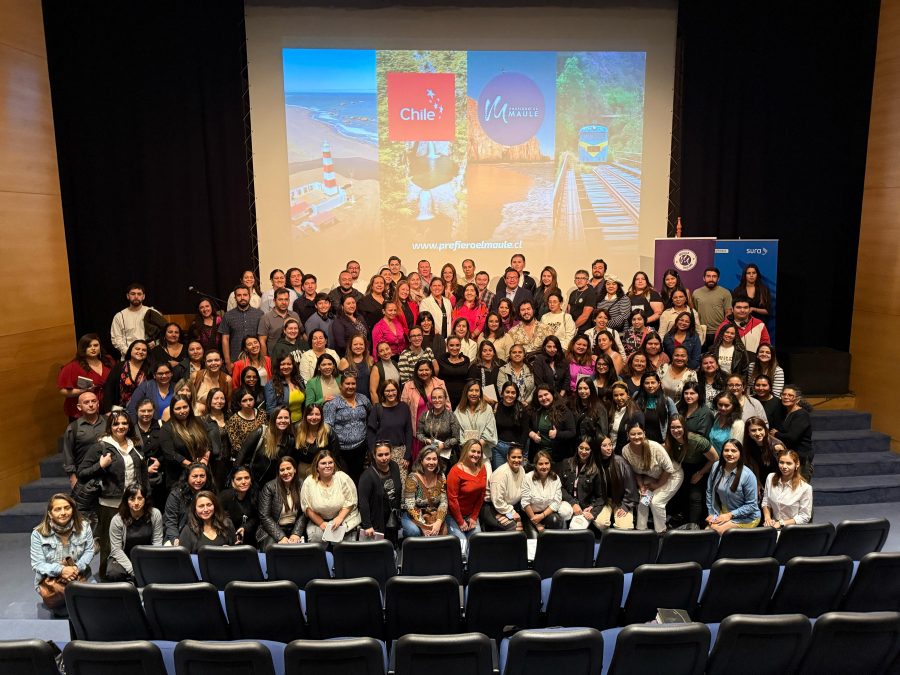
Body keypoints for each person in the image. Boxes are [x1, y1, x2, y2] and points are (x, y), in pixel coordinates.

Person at [77, 411, 150, 577]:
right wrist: (100, 466)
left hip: (134, 503)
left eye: (124, 423)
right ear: (110, 426)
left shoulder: (136, 445)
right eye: (116, 424)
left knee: (131, 541)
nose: (120, 427)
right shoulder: (101, 446)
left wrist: (146, 497)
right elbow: (82, 472)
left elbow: (143, 474)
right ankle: (107, 579)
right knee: (110, 545)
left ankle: (133, 574)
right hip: (111, 505)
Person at [31, 494, 93, 611]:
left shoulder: (85, 526)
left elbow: (89, 551)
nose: (63, 512)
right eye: (57, 509)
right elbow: (37, 564)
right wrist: (62, 570)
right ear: (50, 513)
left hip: (79, 575)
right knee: (65, 611)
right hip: (51, 583)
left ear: (73, 510)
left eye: (67, 508)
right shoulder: (37, 534)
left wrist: (76, 568)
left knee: (94, 607)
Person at [622, 421, 681, 533]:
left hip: (672, 475)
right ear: (627, 435)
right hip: (654, 476)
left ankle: (661, 533)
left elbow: (669, 469)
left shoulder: (654, 447)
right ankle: (641, 531)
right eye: (633, 434)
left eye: (639, 433)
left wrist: (657, 485)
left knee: (656, 502)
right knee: (643, 499)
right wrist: (642, 486)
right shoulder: (626, 450)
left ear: (644, 433)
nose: (636, 437)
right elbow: (635, 472)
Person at [665, 415, 718, 528]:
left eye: (678, 427)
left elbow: (715, 458)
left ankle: (694, 526)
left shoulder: (697, 441)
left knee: (695, 496)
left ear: (684, 427)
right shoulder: (669, 440)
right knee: (679, 494)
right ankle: (680, 520)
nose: (675, 430)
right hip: (682, 468)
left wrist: (700, 473)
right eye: (672, 427)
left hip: (701, 468)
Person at [106, 484, 163, 582]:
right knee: (113, 573)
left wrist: (151, 562)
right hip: (124, 556)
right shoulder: (117, 520)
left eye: (140, 498)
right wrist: (133, 570)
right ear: (126, 501)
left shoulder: (155, 514)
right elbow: (116, 550)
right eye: (132, 499)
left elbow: (157, 542)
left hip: (147, 555)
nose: (136, 503)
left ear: (145, 499)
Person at [323, 373, 372, 482]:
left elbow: (371, 416)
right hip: (341, 451)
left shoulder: (363, 399)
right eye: (347, 383)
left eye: (353, 383)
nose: (350, 386)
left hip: (361, 448)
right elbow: (327, 428)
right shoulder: (332, 402)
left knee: (358, 478)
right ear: (341, 385)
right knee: (344, 479)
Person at [705, 439, 760, 532]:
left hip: (746, 517)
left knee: (716, 531)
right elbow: (709, 492)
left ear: (740, 454)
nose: (729, 454)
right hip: (724, 513)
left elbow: (752, 505)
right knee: (708, 531)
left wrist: (729, 515)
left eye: (734, 451)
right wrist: (712, 514)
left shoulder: (748, 475)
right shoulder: (716, 466)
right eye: (726, 450)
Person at [159, 395, 214, 489]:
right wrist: (193, 467)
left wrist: (204, 461)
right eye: (178, 408)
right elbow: (170, 453)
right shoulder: (167, 428)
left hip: (202, 474)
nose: (182, 411)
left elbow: (208, 443)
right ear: (172, 410)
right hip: (179, 477)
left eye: (185, 407)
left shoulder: (199, 421)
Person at [58, 333, 113, 419]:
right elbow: (63, 391)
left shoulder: (108, 360)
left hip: (106, 408)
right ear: (83, 348)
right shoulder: (72, 366)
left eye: (95, 345)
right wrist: (82, 391)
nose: (93, 348)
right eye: (89, 346)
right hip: (83, 412)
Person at [236, 406, 293, 487]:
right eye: (280, 418)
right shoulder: (260, 432)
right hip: (252, 482)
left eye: (286, 418)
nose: (283, 421)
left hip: (273, 484)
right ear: (273, 419)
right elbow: (242, 454)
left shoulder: (289, 440)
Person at [358, 441, 402, 544]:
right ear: (374, 455)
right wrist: (367, 525)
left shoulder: (394, 466)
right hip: (377, 520)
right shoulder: (367, 476)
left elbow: (398, 490)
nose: (384, 458)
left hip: (392, 516)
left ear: (391, 453)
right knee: (379, 550)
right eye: (380, 455)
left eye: (387, 454)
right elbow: (363, 503)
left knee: (392, 546)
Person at [367, 378, 413, 477]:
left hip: (400, 453)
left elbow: (408, 431)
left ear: (397, 391)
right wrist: (374, 455)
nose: (390, 393)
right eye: (387, 391)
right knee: (382, 485)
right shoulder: (377, 409)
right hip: (382, 453)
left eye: (393, 390)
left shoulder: (404, 407)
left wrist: (407, 455)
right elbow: (371, 434)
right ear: (383, 392)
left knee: (401, 485)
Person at [256, 456, 305, 550]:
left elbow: (304, 513)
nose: (286, 472)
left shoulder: (302, 484)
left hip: (294, 528)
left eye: (288, 468)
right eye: (282, 470)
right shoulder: (269, 487)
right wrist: (280, 536)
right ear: (278, 472)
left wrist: (296, 533)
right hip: (272, 530)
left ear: (295, 469)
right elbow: (264, 516)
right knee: (273, 551)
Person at [446, 439, 489, 541]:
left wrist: (474, 517)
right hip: (454, 516)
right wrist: (461, 521)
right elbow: (452, 500)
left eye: (479, 452)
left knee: (477, 544)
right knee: (462, 547)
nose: (476, 454)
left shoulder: (482, 469)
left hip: (471, 515)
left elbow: (481, 495)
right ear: (466, 451)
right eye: (473, 451)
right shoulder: (455, 471)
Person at [401, 446, 448, 537]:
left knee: (441, 534)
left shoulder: (441, 476)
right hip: (413, 516)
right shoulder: (412, 478)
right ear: (421, 461)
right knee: (414, 531)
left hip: (433, 514)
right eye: (428, 459)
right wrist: (424, 526)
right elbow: (410, 506)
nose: (431, 462)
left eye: (434, 459)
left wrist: (438, 522)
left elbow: (444, 502)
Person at [62, 391, 106, 489]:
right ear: (79, 407)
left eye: (93, 401)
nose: (91, 405)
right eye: (86, 402)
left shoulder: (108, 422)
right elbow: (68, 455)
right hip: (85, 477)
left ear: (98, 404)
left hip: (108, 474)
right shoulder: (73, 427)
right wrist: (73, 479)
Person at [594, 435, 638, 530]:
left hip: (621, 500)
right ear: (598, 447)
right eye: (604, 445)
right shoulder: (594, 463)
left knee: (624, 528)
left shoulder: (621, 462)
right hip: (604, 501)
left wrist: (626, 506)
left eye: (610, 444)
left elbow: (631, 488)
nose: (609, 448)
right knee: (601, 523)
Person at [522, 450, 572, 533]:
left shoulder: (555, 478)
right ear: (535, 465)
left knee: (555, 520)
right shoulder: (527, 478)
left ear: (550, 464)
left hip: (546, 513)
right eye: (540, 464)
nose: (544, 466)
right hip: (530, 515)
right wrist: (536, 523)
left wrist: (542, 515)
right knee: (534, 541)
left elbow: (556, 502)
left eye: (546, 463)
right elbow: (525, 503)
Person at [761, 450, 813, 529]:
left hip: (793, 529)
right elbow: (766, 502)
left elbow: (804, 517)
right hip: (774, 526)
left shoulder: (805, 488)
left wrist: (781, 523)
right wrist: (767, 518)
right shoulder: (770, 477)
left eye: (789, 463)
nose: (784, 467)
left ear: (797, 464)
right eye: (781, 462)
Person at [110, 283, 164, 357]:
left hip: (150, 356)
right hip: (128, 357)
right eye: (133, 294)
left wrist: (156, 342)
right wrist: (130, 352)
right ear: (127, 296)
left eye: (139, 294)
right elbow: (116, 339)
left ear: (143, 296)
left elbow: (165, 331)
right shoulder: (119, 316)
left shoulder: (152, 312)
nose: (136, 296)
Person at [772, 385, 813, 481]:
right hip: (790, 456)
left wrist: (776, 434)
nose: (786, 397)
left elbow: (792, 437)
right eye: (784, 394)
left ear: (797, 399)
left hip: (801, 457)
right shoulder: (786, 412)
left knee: (800, 488)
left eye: (790, 395)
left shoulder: (802, 414)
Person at [559, 437, 603, 529]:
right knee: (564, 512)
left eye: (587, 449)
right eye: (581, 448)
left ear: (591, 451)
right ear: (577, 448)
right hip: (567, 503)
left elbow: (600, 496)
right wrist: (573, 503)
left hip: (584, 508)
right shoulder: (566, 463)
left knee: (576, 528)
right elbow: (560, 487)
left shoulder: (595, 470)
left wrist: (593, 511)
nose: (583, 451)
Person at [219, 286, 265, 372]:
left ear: (249, 296)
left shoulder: (259, 314)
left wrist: (263, 359)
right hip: (235, 360)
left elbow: (262, 339)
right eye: (239, 295)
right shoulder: (228, 316)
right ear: (235, 298)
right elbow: (225, 339)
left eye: (245, 295)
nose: (242, 297)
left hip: (256, 360)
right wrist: (228, 362)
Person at [163, 462, 211, 544]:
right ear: (187, 477)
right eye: (195, 476)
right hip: (178, 535)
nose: (199, 480)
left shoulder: (210, 493)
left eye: (202, 476)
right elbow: (170, 522)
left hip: (202, 535)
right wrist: (175, 539)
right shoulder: (176, 495)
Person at [528, 385, 576, 463]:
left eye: (546, 394)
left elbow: (572, 432)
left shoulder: (564, 411)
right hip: (539, 456)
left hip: (558, 458)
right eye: (540, 396)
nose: (543, 398)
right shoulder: (535, 411)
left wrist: (557, 434)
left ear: (552, 394)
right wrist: (532, 434)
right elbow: (525, 427)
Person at [416, 387, 461, 468]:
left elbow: (457, 438)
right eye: (434, 398)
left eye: (440, 397)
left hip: (445, 457)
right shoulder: (425, 415)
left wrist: (443, 445)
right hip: (428, 455)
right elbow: (419, 433)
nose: (437, 400)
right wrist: (426, 440)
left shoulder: (451, 416)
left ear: (445, 399)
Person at [484, 443, 525, 531]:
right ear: (507, 457)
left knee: (521, 523)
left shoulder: (522, 470)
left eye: (519, 457)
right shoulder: (501, 474)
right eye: (513, 457)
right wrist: (512, 513)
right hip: (493, 507)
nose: (517, 460)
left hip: (508, 507)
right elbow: (497, 501)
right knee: (514, 526)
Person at [103, 339, 150, 412]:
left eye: (144, 350)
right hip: (120, 411)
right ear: (131, 350)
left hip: (143, 411)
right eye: (137, 349)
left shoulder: (150, 369)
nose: (140, 352)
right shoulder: (119, 367)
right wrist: (108, 411)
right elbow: (109, 389)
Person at [218, 466, 258, 547]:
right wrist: (232, 537)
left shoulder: (255, 494)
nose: (244, 482)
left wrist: (244, 528)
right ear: (233, 482)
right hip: (226, 538)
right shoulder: (225, 496)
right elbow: (219, 519)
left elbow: (255, 518)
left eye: (246, 478)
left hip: (248, 537)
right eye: (239, 479)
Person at [633, 371, 678, 443]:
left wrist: (667, 442)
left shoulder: (667, 401)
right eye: (647, 383)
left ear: (659, 383)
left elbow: (676, 422)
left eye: (653, 382)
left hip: (660, 442)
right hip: (640, 441)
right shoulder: (636, 397)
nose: (650, 386)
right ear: (642, 384)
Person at [692, 267, 732, 347]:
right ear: (704, 278)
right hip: (701, 331)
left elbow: (728, 313)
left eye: (714, 276)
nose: (711, 279)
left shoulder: (725, 293)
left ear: (718, 278)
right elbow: (694, 312)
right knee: (702, 357)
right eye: (708, 276)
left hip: (719, 331)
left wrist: (724, 329)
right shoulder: (696, 293)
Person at [743, 416, 785, 490]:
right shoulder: (747, 446)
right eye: (753, 430)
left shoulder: (777, 445)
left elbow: (785, 468)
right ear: (748, 433)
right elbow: (750, 467)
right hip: (759, 482)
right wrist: (756, 482)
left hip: (778, 481)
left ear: (765, 430)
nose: (758, 433)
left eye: (760, 429)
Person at [455, 380, 498, 453]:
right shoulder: (459, 410)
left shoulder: (487, 409)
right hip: (465, 452)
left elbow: (490, 431)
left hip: (483, 453)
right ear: (466, 392)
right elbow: (458, 432)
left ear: (480, 393)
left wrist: (477, 448)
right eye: (471, 390)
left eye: (477, 391)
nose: (474, 393)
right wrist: (469, 449)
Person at [258, 287, 302, 358]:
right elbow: (262, 341)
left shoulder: (294, 315)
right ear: (274, 301)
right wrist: (265, 360)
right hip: (274, 358)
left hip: (294, 358)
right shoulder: (266, 318)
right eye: (280, 300)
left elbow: (301, 336)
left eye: (286, 299)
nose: (284, 302)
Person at [264, 354, 306, 422]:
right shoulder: (272, 384)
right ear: (278, 366)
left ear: (293, 365)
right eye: (282, 364)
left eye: (289, 364)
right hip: (284, 424)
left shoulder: (299, 380)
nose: (286, 367)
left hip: (301, 423)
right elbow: (270, 410)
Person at [193, 348, 233, 415]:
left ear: (221, 361)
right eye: (209, 361)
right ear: (205, 363)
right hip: (197, 415)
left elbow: (228, 402)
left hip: (216, 415)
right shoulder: (196, 376)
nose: (213, 363)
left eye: (216, 360)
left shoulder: (227, 380)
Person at [609, 381, 645, 454]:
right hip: (610, 451)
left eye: (622, 394)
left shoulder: (636, 414)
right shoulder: (610, 410)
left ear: (627, 395)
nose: (619, 398)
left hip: (626, 453)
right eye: (615, 395)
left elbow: (639, 438)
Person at [437, 336, 471, 408]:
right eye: (451, 345)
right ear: (447, 346)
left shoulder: (466, 360)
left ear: (460, 346)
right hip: (445, 398)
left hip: (462, 398)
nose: (455, 348)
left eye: (457, 345)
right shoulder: (441, 360)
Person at [339, 333, 374, 399]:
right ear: (350, 346)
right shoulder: (344, 361)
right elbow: (339, 384)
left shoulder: (370, 360)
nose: (358, 346)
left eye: (361, 344)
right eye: (355, 344)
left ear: (365, 346)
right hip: (350, 400)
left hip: (367, 399)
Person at [468, 339, 501, 406]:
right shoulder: (474, 367)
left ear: (494, 352)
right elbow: (471, 387)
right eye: (484, 351)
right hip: (479, 400)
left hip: (499, 402)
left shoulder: (500, 365)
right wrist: (483, 397)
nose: (488, 353)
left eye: (490, 350)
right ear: (480, 353)